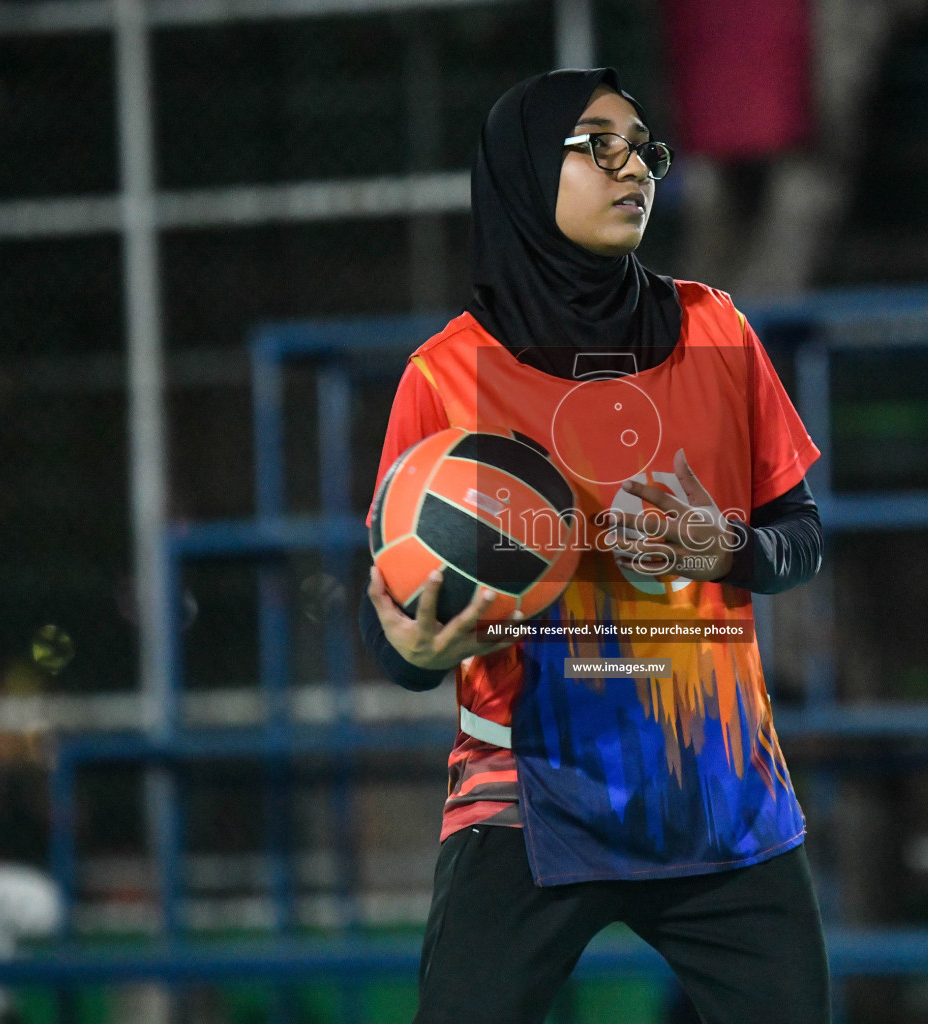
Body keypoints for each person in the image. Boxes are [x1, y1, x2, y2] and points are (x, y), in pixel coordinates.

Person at [359, 68, 830, 1024]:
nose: (635, 169)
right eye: (598, 145)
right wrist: (410, 656)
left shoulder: (717, 332)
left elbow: (803, 540)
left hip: (716, 793)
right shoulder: (445, 375)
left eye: (645, 149)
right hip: (525, 800)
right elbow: (402, 617)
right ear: (527, 169)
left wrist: (728, 547)